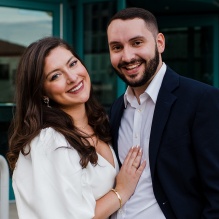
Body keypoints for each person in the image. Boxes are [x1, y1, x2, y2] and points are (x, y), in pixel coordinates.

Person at [7, 36, 146, 219]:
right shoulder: (49, 142)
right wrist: (121, 191)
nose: (72, 77)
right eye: (55, 76)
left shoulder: (99, 124)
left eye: (72, 64)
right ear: (42, 92)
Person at [107, 7, 219, 219]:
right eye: (117, 47)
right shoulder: (116, 110)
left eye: (137, 43)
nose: (127, 56)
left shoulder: (202, 100)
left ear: (160, 43)